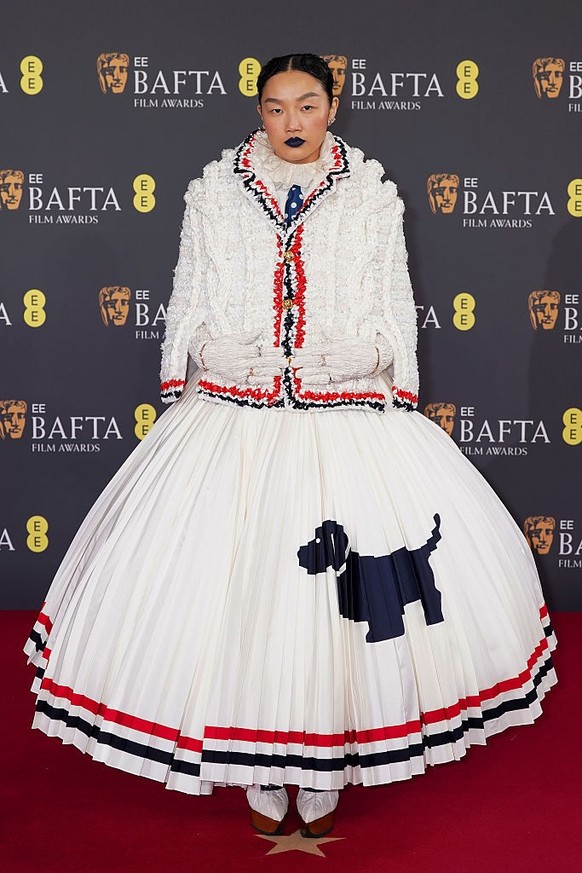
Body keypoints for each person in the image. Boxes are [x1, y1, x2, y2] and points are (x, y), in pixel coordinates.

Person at [25, 53, 557, 840]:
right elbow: (188, 298)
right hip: (234, 421)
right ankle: (264, 760)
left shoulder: (373, 197)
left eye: (307, 105)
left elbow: (393, 309)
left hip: (341, 416)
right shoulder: (213, 193)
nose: (292, 122)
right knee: (236, 598)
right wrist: (209, 351)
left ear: (333, 106)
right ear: (260, 111)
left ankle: (323, 757)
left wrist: (364, 353)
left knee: (332, 610)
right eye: (276, 108)